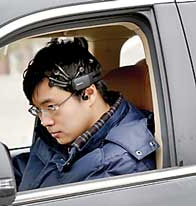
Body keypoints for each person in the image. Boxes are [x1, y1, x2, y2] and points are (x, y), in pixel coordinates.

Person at [13, 38, 159, 191]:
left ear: (88, 94)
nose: (44, 121)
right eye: (38, 110)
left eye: (51, 107)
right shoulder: (61, 135)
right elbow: (28, 170)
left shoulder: (119, 165)